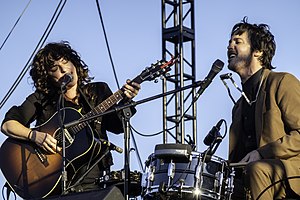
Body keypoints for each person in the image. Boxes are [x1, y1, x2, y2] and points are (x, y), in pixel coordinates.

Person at [1, 41, 141, 198]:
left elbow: (117, 126)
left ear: (74, 62)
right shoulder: (42, 99)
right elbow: (8, 125)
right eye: (55, 69)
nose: (63, 69)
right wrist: (36, 136)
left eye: (65, 62)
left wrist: (126, 101)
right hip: (51, 181)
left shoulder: (98, 91)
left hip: (93, 178)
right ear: (47, 76)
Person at [227, 17, 300, 199]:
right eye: (229, 42)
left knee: (257, 169)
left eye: (238, 41)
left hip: (290, 171)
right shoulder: (238, 106)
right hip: (251, 176)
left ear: (257, 51)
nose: (229, 46)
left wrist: (262, 153)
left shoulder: (282, 82)